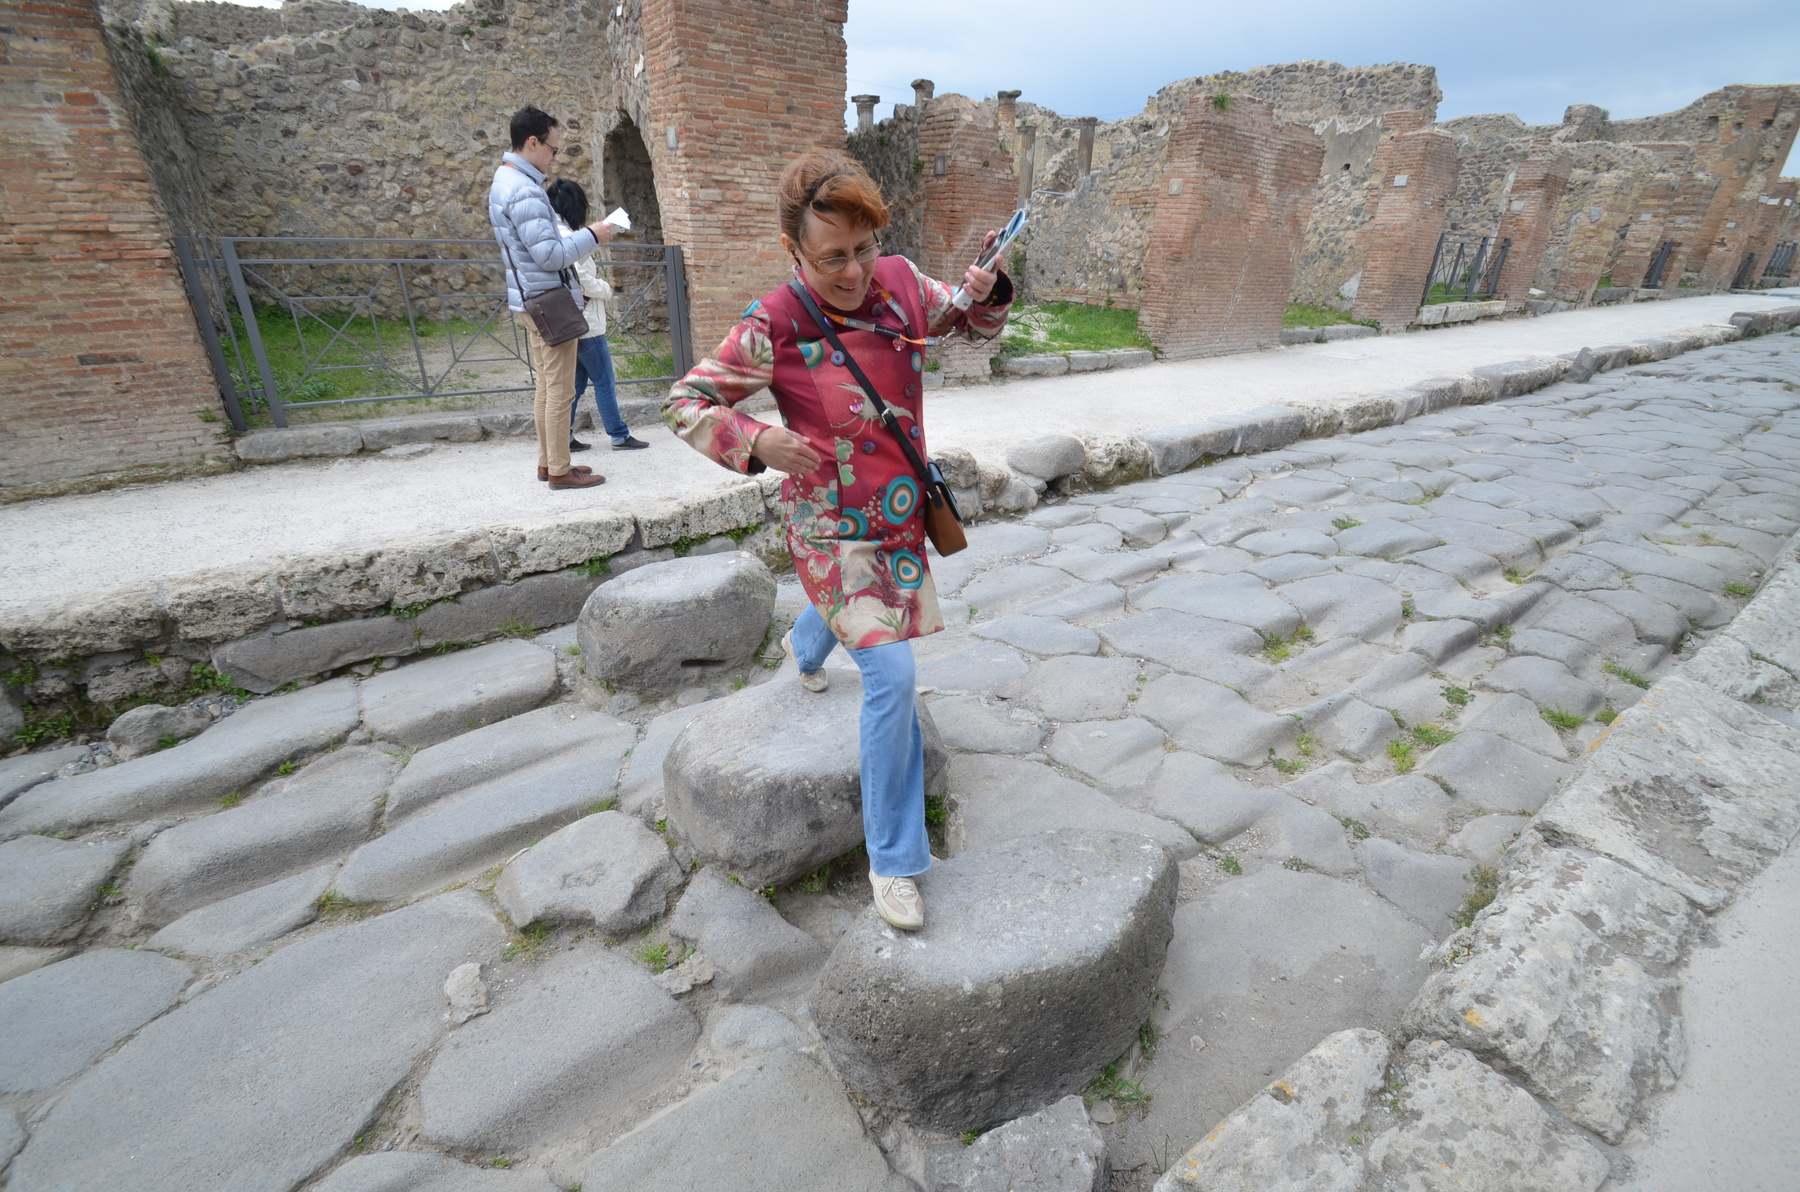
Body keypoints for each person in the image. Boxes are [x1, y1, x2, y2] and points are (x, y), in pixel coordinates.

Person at [663, 152, 1011, 930]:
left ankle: (806, 641)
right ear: (794, 251)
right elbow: (685, 401)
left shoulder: (901, 283)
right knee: (892, 675)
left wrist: (984, 292)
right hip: (829, 526)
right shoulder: (774, 324)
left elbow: (962, 321)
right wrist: (757, 439)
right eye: (832, 258)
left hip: (898, 513)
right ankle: (895, 860)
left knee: (855, 631)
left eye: (863, 248)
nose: (854, 271)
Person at [488, 105, 611, 489]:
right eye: (552, 149)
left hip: (530, 297)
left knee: (546, 386)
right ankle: (559, 469)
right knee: (560, 390)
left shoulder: (505, 179)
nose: (554, 157)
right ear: (532, 142)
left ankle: (548, 463)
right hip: (549, 299)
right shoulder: (525, 189)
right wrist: (592, 235)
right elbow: (550, 256)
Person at [544, 178, 649, 453]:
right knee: (604, 381)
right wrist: (605, 289)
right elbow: (580, 278)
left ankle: (565, 436)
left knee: (576, 385)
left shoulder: (556, 232)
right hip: (586, 323)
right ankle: (619, 435)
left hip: (573, 321)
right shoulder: (565, 235)